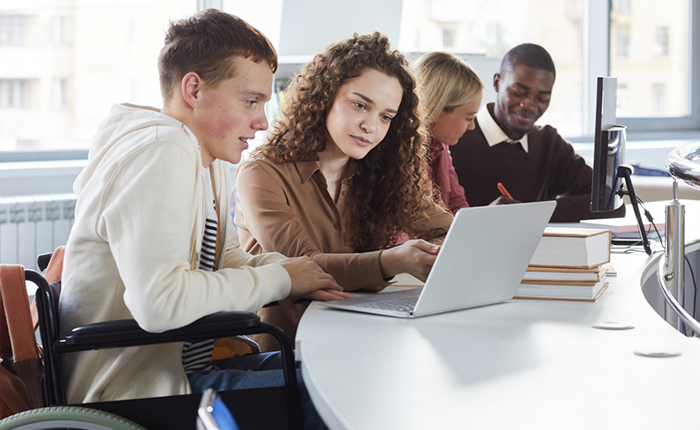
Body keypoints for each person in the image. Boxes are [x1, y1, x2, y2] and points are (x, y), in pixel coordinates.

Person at [59, 9, 347, 428]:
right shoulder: (162, 148)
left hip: (180, 374)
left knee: (329, 373)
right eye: (250, 100)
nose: (262, 121)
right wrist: (282, 281)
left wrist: (296, 270)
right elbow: (160, 304)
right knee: (336, 397)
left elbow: (225, 258)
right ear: (193, 88)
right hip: (131, 393)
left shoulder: (205, 155)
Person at [234, 33, 453, 350]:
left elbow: (443, 229)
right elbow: (305, 267)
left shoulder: (385, 171)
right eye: (360, 105)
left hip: (363, 340)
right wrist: (393, 261)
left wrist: (435, 252)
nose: (371, 126)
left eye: (385, 116)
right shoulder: (261, 172)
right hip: (285, 357)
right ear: (324, 97)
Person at [449, 43, 625, 222]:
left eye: (542, 98)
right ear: (497, 83)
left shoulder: (549, 144)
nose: (528, 105)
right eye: (518, 92)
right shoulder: (455, 139)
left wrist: (528, 213)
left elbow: (610, 203)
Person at [413, 51, 483, 214]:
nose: (472, 126)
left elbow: (456, 202)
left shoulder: (440, 145)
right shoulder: (396, 150)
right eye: (468, 117)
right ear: (437, 109)